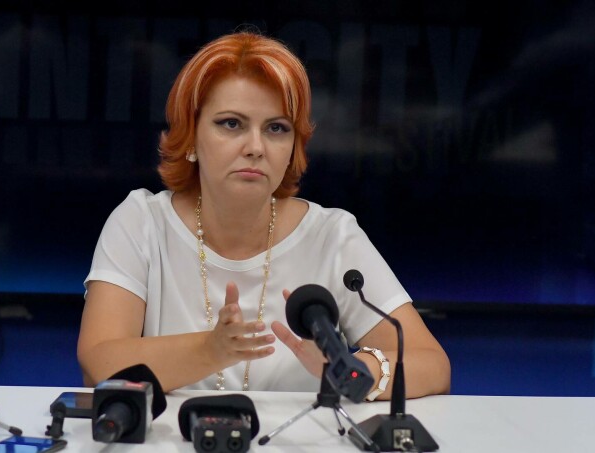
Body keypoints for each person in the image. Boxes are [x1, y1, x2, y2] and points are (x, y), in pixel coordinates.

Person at [77, 29, 451, 400]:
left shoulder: (332, 236)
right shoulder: (142, 223)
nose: (255, 147)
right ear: (190, 137)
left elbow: (432, 364)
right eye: (231, 124)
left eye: (276, 128)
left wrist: (345, 369)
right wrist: (211, 350)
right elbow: (98, 362)